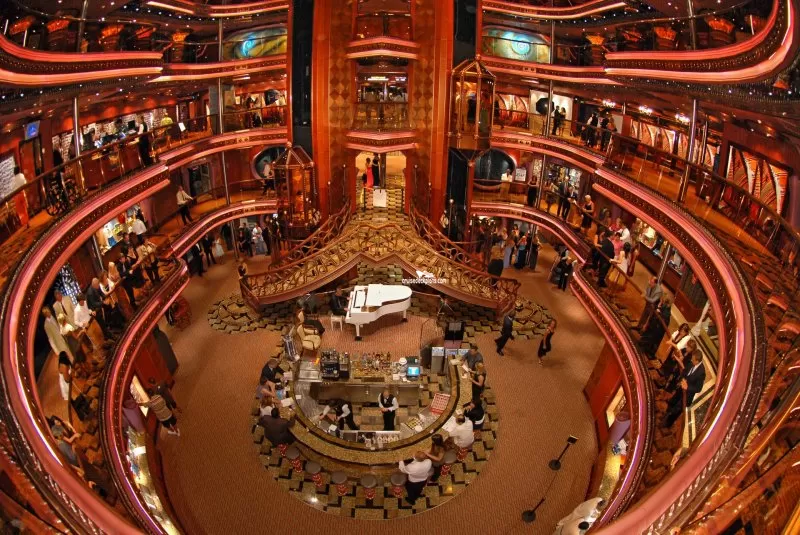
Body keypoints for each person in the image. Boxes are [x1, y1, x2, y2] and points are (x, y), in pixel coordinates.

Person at [663, 350, 706, 428]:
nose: (691, 360)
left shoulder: (701, 373)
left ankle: (668, 424)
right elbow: (684, 371)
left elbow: (698, 388)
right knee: (672, 402)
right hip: (680, 390)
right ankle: (666, 415)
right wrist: (682, 379)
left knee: (677, 410)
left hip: (687, 395)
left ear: (697, 361)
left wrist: (687, 387)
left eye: (693, 359)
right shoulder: (691, 363)